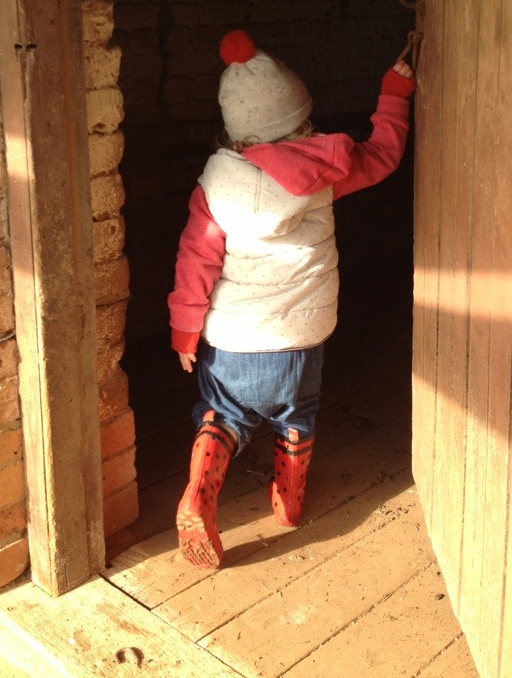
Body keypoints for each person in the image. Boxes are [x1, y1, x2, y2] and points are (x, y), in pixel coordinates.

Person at [167, 28, 415, 568]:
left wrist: (185, 330)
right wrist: (394, 94)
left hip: (232, 342)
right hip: (300, 339)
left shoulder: (214, 187)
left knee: (221, 415)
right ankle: (288, 502)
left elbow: (195, 259)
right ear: (298, 120)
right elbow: (384, 155)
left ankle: (200, 491)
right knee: (297, 415)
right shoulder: (324, 169)